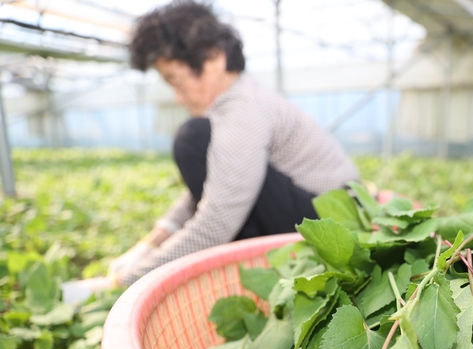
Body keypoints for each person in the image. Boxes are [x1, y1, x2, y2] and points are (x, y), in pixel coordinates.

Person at [70, 0, 358, 298]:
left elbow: (217, 219)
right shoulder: (238, 102)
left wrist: (125, 282)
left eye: (175, 81)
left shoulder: (242, 110)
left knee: (192, 139)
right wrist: (150, 242)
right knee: (198, 139)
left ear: (214, 59)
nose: (178, 97)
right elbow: (221, 180)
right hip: (324, 210)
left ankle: (256, 273)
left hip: (333, 222)